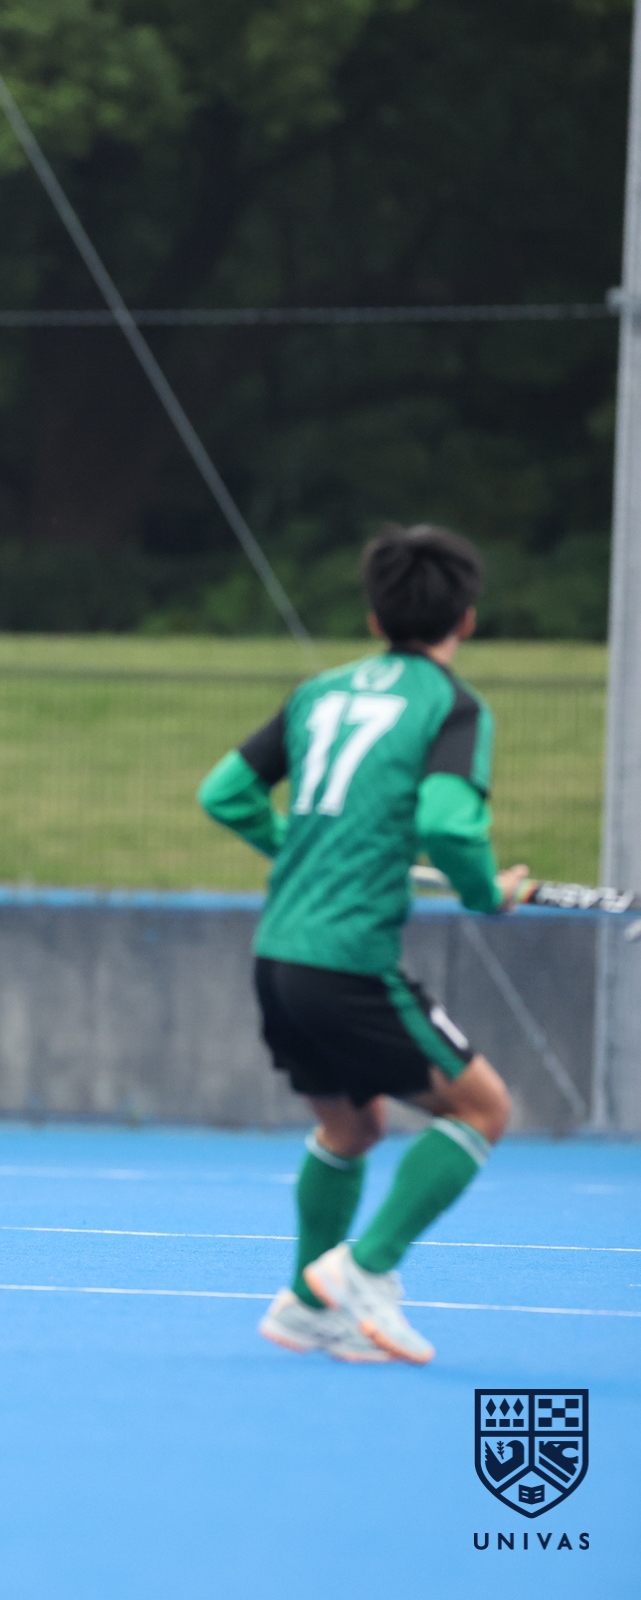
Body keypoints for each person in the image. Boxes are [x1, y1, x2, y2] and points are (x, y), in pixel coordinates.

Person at [199, 524, 528, 1365]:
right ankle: (362, 1271)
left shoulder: (319, 692)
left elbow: (226, 793)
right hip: (347, 963)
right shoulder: (452, 705)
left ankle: (308, 1309)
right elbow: (448, 824)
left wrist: (303, 850)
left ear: (376, 619)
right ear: (467, 619)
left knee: (352, 1129)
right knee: (483, 1109)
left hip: (278, 958)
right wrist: (486, 892)